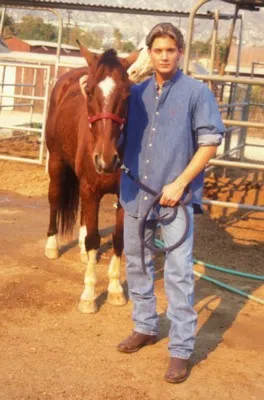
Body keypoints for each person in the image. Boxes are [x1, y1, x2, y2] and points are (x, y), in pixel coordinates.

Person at [117, 22, 225, 383]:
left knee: (178, 272)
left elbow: (209, 143)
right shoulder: (135, 94)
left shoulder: (197, 93)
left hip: (175, 197)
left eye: (170, 50)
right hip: (135, 192)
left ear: (180, 53)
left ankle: (180, 349)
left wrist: (180, 182)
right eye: (158, 50)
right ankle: (145, 325)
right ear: (150, 53)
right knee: (138, 263)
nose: (164, 56)